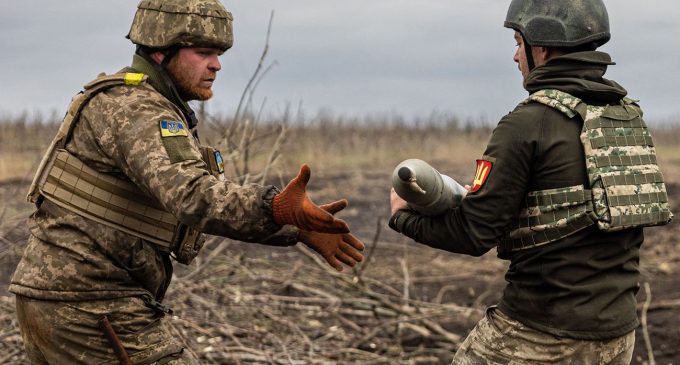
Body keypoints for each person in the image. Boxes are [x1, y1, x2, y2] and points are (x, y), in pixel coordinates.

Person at [10, 0, 365, 364]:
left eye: (219, 53)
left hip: (71, 298)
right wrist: (275, 208)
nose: (217, 64)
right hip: (90, 303)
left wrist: (294, 227)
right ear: (161, 52)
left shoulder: (140, 103)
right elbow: (193, 196)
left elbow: (174, 211)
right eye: (203, 53)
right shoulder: (136, 109)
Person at [389, 0, 672, 364]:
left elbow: (472, 234)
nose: (514, 56)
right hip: (617, 337)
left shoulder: (527, 123)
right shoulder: (627, 118)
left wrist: (401, 216)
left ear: (542, 46)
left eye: (518, 43)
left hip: (540, 335)